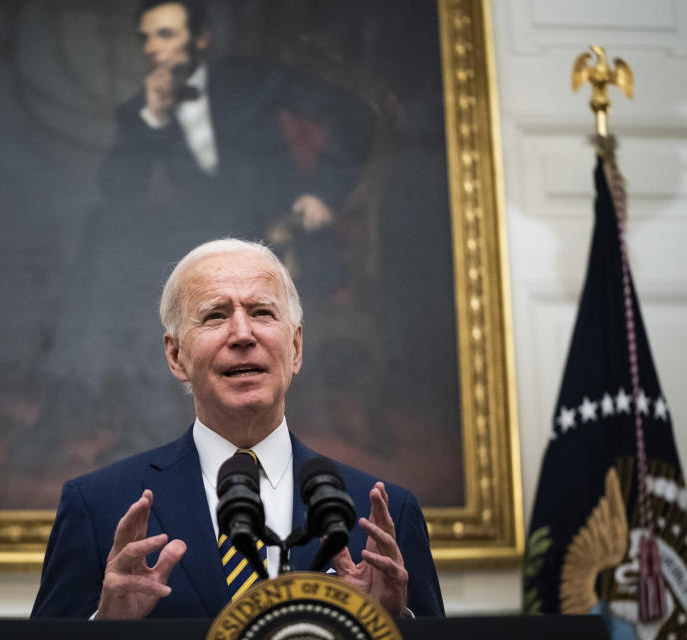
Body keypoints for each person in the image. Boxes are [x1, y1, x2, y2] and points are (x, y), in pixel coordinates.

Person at [30, 238, 444, 619]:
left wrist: (391, 627)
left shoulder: (385, 514)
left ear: (296, 348)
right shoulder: (98, 506)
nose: (243, 334)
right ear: (176, 356)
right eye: (215, 315)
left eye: (262, 312)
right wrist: (104, 627)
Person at [97, 0, 371, 245]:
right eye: (145, 38)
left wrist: (323, 193)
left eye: (165, 35)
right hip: (193, 242)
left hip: (280, 233)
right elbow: (119, 192)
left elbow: (352, 113)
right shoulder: (140, 110)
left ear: (201, 38)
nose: (151, 48)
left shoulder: (253, 79)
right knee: (100, 231)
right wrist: (153, 119)